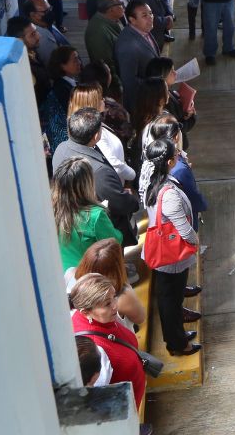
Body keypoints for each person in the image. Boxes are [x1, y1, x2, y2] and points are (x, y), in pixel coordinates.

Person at [141, 137, 201, 356]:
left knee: (170, 300)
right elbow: (184, 229)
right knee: (171, 302)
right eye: (175, 154)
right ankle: (177, 344)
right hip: (172, 258)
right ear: (167, 162)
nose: (178, 156)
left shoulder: (152, 180)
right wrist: (195, 241)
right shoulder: (168, 195)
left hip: (163, 256)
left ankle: (177, 336)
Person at [68, 273, 146, 407]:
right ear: (85, 312)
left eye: (114, 297)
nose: (115, 306)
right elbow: (101, 402)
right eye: (107, 304)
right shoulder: (94, 350)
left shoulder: (103, 318)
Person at [51, 157, 122, 270]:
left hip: (64, 277)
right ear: (87, 184)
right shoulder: (96, 215)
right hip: (91, 279)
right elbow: (115, 241)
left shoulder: (52, 212)